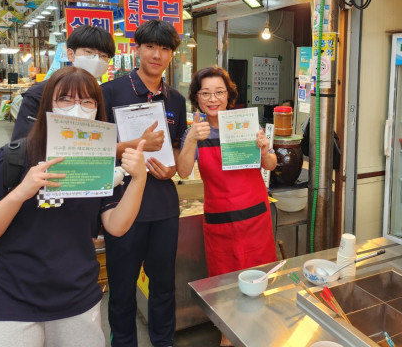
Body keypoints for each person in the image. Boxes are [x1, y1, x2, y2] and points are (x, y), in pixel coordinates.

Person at [0, 66, 148, 346]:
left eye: (87, 101)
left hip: (77, 297)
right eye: (65, 99)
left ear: (97, 109)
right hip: (10, 297)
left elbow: (116, 225)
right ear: (48, 105)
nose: (77, 108)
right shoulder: (15, 156)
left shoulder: (99, 162)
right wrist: (21, 193)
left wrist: (139, 180)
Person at [176, 66, 277, 347]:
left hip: (255, 218)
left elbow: (270, 164)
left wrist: (264, 149)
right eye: (205, 93)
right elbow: (183, 171)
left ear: (228, 96)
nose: (213, 99)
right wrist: (191, 140)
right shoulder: (194, 132)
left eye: (219, 92)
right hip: (220, 222)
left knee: (259, 278)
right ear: (196, 98)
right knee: (224, 282)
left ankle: (260, 332)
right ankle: (227, 335)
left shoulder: (246, 124)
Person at [101, 19, 187, 347]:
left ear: (172, 54)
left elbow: (176, 149)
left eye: (165, 49)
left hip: (163, 205)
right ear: (136, 49)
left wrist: (172, 167)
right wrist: (136, 145)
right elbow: (95, 148)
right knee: (122, 288)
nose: (157, 55)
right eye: (150, 46)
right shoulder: (110, 92)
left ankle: (163, 342)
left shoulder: (176, 99)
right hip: (122, 204)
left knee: (163, 286)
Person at [11, 25, 116, 140]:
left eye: (103, 55)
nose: (96, 60)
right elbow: (23, 141)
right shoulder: (39, 93)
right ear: (70, 54)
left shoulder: (104, 92)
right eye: (89, 52)